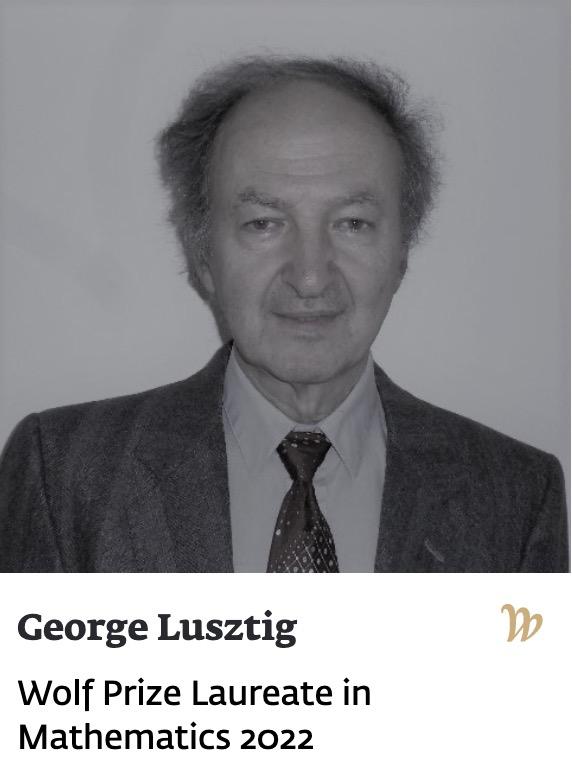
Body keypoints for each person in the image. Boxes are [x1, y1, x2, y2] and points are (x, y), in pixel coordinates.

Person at [0, 56, 568, 573]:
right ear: (203, 255)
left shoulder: (517, 497)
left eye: (352, 223)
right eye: (264, 224)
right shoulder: (64, 475)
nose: (311, 276)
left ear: (401, 254)